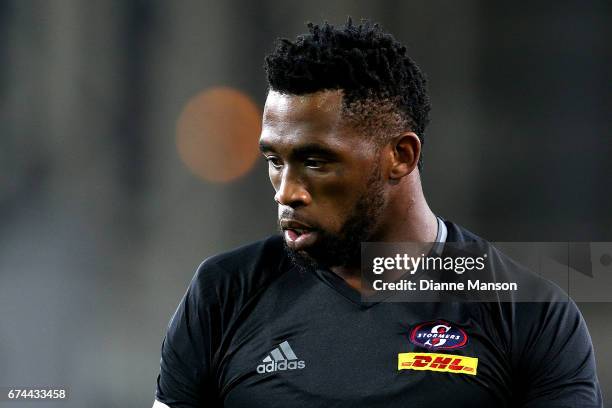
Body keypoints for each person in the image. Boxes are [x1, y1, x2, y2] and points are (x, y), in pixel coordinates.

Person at [153, 19, 602, 407]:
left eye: (315, 162)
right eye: (275, 161)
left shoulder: (529, 314)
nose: (287, 192)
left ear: (400, 156)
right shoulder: (222, 295)